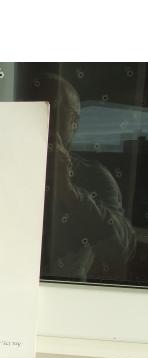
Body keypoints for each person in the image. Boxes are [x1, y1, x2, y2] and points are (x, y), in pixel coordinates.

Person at [28, 73, 136, 282]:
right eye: (35, 109)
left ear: (74, 122)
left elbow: (120, 250)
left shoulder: (92, 176)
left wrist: (68, 191)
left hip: (67, 290)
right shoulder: (1, 164)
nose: (47, 120)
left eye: (57, 111)